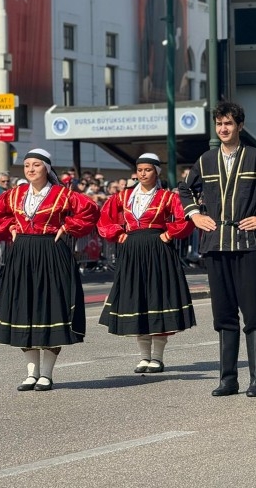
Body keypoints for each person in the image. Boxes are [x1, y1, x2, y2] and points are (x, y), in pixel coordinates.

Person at [178, 101, 256, 397]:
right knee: (223, 315)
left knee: (253, 313)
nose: (223, 128)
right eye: (219, 124)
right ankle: (228, 379)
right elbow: (184, 189)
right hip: (216, 245)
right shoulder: (205, 160)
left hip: (247, 245)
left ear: (240, 126)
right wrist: (195, 214)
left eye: (229, 123)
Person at [0, 149, 99, 391]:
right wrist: (11, 227)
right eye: (27, 165)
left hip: (51, 252)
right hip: (23, 254)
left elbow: (90, 209)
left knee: (51, 309)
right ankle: (31, 373)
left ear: (46, 168)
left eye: (36, 165)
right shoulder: (15, 194)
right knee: (24, 309)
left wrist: (68, 226)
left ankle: (46, 374)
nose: (30, 169)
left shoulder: (62, 194)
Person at [97, 153, 196, 373]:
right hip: (132, 251)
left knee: (156, 299)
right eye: (140, 169)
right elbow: (105, 218)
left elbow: (185, 218)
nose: (143, 173)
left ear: (156, 172)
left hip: (158, 250)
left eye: (148, 170)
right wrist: (119, 234)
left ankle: (157, 358)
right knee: (138, 300)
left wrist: (169, 234)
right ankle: (143, 357)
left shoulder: (167, 197)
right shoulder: (124, 197)